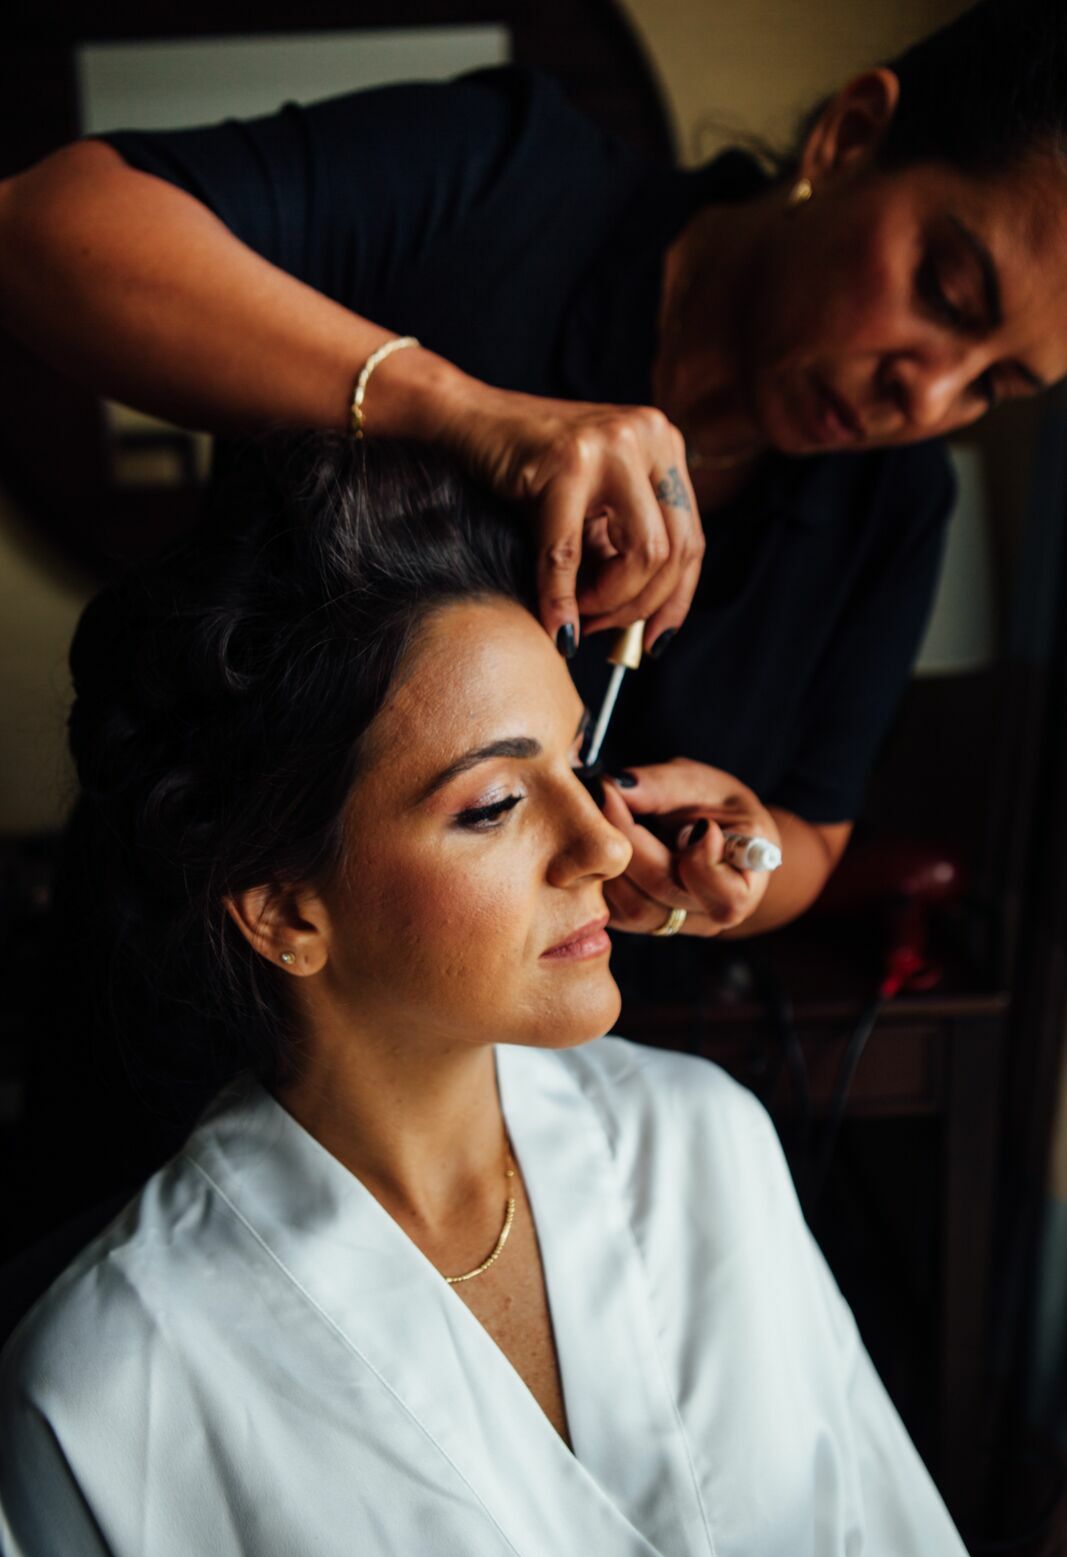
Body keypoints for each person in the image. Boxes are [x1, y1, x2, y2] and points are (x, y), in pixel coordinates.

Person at [0, 435, 989, 1557]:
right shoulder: (108, 1388)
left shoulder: (701, 1143)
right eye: (495, 804)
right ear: (282, 911)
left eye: (580, 759)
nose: (606, 842)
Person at [1, 0, 1065, 949]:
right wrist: (457, 410)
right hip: (213, 975)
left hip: (548, 1074)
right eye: (944, 292)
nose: (927, 399)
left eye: (995, 387)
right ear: (845, 140)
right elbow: (41, 230)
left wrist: (735, 863)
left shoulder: (895, 503)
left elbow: (811, 833)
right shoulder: (502, 178)